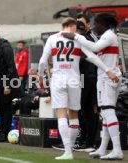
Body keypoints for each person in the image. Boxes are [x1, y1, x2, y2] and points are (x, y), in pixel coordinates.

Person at [39, 17, 118, 160]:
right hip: (75, 80)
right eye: (76, 27)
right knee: (74, 114)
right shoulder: (78, 39)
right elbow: (92, 57)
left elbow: (42, 61)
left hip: (58, 79)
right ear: (72, 26)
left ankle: (68, 151)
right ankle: (72, 147)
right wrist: (107, 70)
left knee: (61, 113)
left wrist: (40, 77)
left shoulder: (52, 39)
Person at [62, 13, 124, 160]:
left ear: (104, 24)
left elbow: (95, 47)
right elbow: (93, 54)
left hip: (107, 78)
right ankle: (103, 148)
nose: (94, 27)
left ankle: (117, 149)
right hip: (107, 76)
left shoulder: (108, 35)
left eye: (96, 24)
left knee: (108, 112)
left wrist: (76, 37)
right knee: (106, 113)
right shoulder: (107, 36)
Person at [73, 15, 98, 152]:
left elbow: (86, 59)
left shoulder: (85, 40)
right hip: (87, 77)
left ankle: (84, 141)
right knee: (86, 110)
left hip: (85, 78)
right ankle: (86, 141)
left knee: (82, 110)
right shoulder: (86, 39)